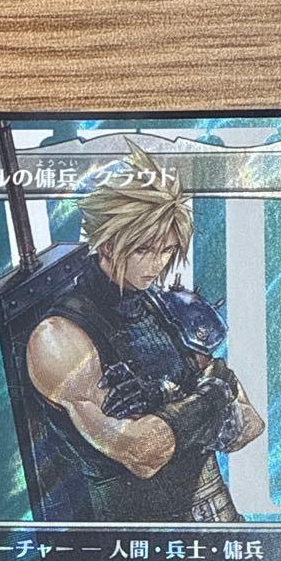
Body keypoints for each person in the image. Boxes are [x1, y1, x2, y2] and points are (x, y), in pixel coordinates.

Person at [26, 141, 264, 522]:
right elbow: (144, 454)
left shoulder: (171, 310)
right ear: (107, 244)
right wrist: (212, 393)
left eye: (166, 250)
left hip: (219, 519)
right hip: (136, 535)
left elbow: (247, 425)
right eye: (143, 250)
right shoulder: (60, 339)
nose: (157, 264)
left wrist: (166, 398)